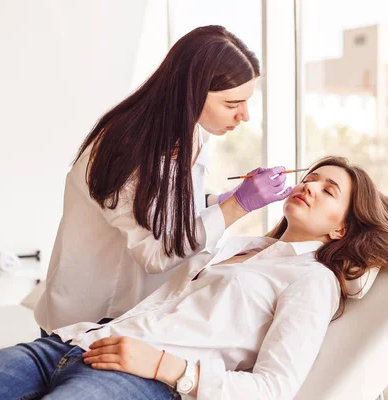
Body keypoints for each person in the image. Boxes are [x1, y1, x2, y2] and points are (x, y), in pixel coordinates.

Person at [0, 156, 388, 400]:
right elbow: (166, 247)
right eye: (310, 177)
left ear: (341, 227)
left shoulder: (313, 281)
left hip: (139, 379)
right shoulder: (241, 246)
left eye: (327, 188)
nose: (308, 185)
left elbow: (273, 389)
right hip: (72, 343)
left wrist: (165, 368)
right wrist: (232, 202)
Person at [34, 25, 292, 335]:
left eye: (246, 102)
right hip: (90, 318)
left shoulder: (192, 131)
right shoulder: (123, 150)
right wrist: (237, 206)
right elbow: (155, 253)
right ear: (191, 93)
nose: (244, 116)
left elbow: (168, 201)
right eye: (232, 104)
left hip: (139, 316)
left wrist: (215, 201)